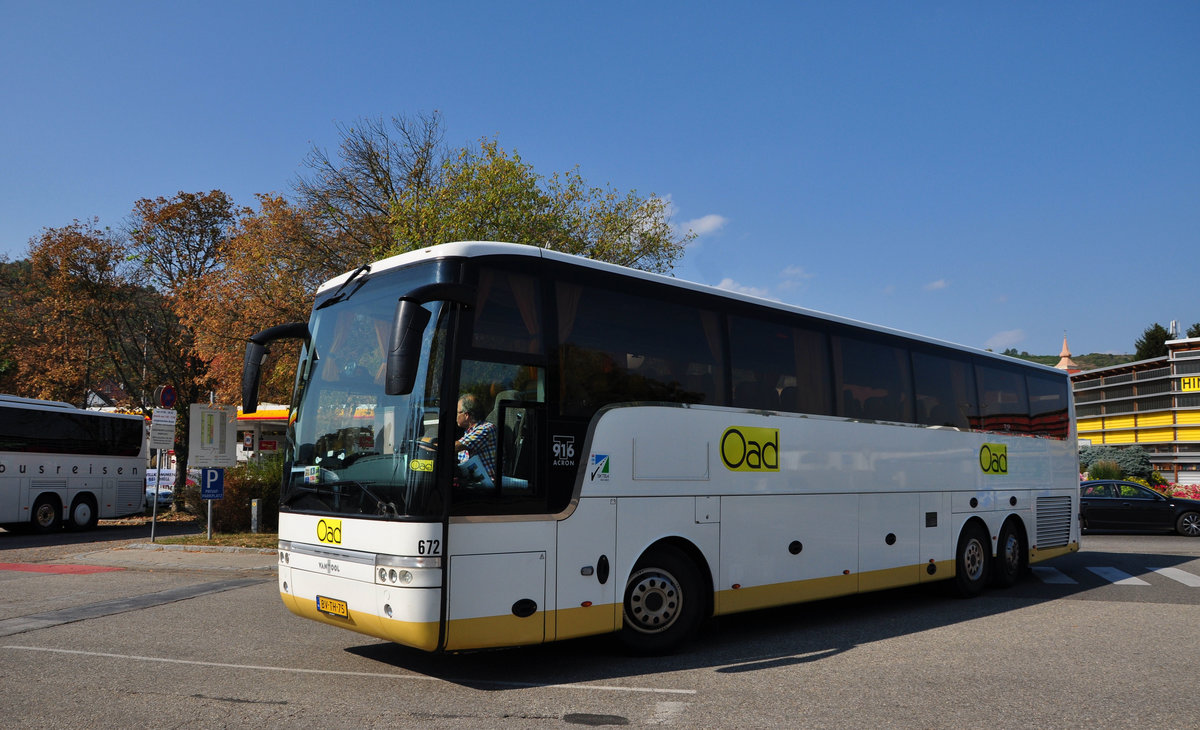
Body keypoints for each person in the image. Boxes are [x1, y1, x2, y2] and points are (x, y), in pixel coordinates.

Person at [454, 393, 497, 483]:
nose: (456, 416)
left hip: (488, 486)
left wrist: (431, 445)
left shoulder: (486, 429)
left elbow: (456, 447)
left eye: (457, 412)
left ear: (466, 415)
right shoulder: (468, 432)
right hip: (474, 482)